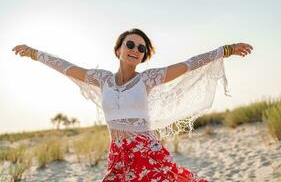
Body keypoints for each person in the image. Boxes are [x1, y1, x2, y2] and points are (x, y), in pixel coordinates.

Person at [12, 28, 253, 181]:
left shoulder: (147, 79)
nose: (135, 50)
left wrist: (226, 50)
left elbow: (189, 64)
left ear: (143, 56)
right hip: (117, 156)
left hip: (147, 154)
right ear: (118, 49)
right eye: (130, 44)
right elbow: (65, 66)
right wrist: (34, 53)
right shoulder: (102, 79)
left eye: (141, 48)